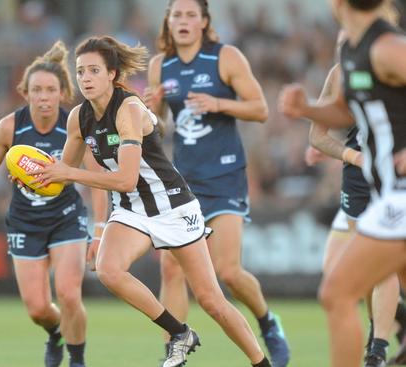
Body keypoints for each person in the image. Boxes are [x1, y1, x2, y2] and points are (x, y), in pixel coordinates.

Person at [30, 35, 271, 367]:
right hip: (132, 210)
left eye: (94, 71)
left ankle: (261, 362)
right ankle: (180, 333)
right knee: (109, 270)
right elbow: (63, 171)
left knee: (211, 301)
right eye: (81, 71)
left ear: (112, 74)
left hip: (172, 206)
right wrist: (34, 177)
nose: (85, 78)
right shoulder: (78, 119)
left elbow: (123, 178)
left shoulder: (128, 108)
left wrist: (67, 175)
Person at [142, 1, 289, 365]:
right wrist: (154, 108)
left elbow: (260, 109)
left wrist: (219, 104)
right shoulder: (160, 65)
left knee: (228, 272)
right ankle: (173, 352)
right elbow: (158, 128)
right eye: (177, 15)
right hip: (183, 180)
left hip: (224, 176)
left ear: (205, 22)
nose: (183, 21)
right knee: (171, 267)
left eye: (192, 15)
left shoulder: (225, 57)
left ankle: (267, 321)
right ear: (169, 22)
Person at [279, 0, 406, 365]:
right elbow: (350, 111)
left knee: (336, 293)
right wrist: (307, 109)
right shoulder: (353, 49)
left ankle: (376, 354)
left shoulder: (386, 47)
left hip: (399, 195)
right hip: (386, 195)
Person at [0, 41, 106, 367]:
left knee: (69, 294)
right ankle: (57, 332)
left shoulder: (74, 125)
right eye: (37, 90)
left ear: (63, 93)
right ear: (25, 93)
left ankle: (77, 360)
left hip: (66, 216)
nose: (44, 96)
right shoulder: (9, 127)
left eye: (51, 90)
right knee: (36, 308)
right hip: (25, 220)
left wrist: (100, 229)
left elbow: (97, 176)